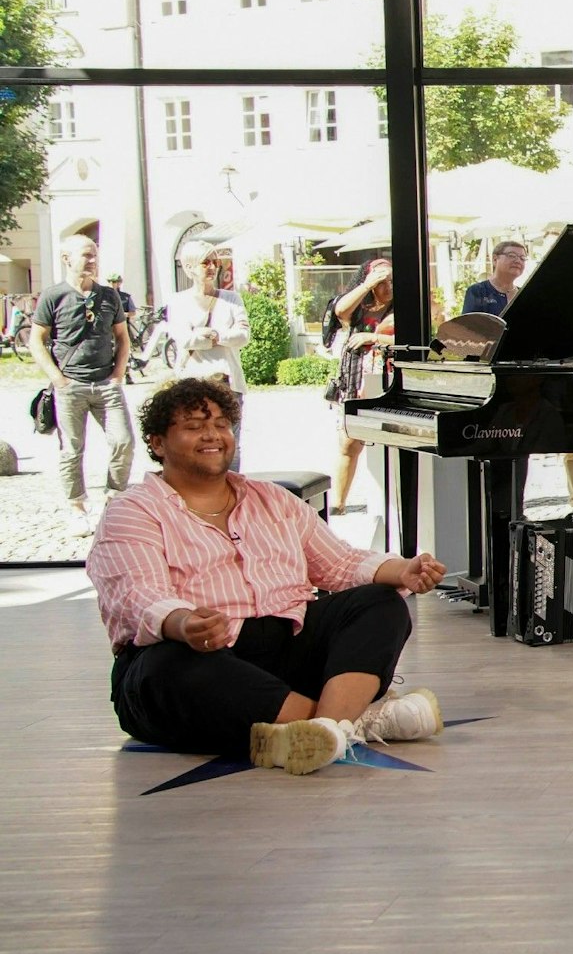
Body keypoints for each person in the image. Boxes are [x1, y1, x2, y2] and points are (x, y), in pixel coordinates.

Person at [87, 378, 449, 776]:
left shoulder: (272, 499)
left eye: (222, 424)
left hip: (284, 648)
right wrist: (184, 622)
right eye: (193, 426)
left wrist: (405, 570)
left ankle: (319, 731)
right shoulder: (132, 511)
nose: (213, 435)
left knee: (380, 603)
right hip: (201, 658)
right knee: (169, 665)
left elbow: (341, 563)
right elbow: (136, 594)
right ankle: (349, 723)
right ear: (157, 443)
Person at [32, 235, 134, 535]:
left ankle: (113, 501)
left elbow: (122, 337)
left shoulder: (108, 296)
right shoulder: (54, 296)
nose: (93, 261)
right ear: (67, 259)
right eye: (87, 256)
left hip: (105, 384)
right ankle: (77, 507)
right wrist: (57, 379)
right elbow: (35, 340)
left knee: (123, 441)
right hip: (70, 385)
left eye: (95, 255)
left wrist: (117, 375)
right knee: (72, 449)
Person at [166, 243, 251, 473]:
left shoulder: (231, 299)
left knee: (229, 441)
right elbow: (184, 339)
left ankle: (232, 490)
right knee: (194, 441)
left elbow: (243, 335)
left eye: (216, 262)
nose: (212, 267)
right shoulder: (178, 301)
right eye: (206, 262)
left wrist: (216, 335)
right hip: (193, 384)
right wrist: (212, 338)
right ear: (189, 267)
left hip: (227, 382)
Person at [327, 258, 395, 516]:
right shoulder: (360, 306)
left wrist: (374, 337)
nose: (387, 286)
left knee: (389, 445)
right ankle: (339, 503)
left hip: (387, 379)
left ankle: (389, 504)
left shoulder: (405, 305)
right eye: (382, 282)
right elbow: (340, 312)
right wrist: (368, 284)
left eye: (391, 281)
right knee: (348, 443)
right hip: (355, 379)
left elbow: (418, 334)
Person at [461, 239, 525, 316]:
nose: (518, 261)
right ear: (495, 259)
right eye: (512, 256)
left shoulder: (524, 294)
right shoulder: (478, 291)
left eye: (522, 258)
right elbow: (468, 324)